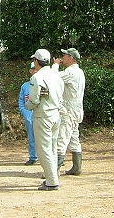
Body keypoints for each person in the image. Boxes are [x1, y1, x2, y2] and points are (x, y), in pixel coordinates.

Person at [26, 48, 64, 191]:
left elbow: (34, 100)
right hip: (56, 114)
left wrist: (27, 105)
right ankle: (52, 177)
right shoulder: (56, 75)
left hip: (43, 115)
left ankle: (52, 181)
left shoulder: (37, 78)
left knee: (44, 150)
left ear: (36, 61)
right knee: (52, 148)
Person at [52, 47, 86, 175]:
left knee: (62, 138)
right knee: (74, 138)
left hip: (69, 110)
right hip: (76, 109)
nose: (63, 58)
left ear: (71, 58)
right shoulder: (79, 72)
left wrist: (55, 65)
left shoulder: (71, 72)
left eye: (65, 56)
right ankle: (77, 168)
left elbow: (53, 78)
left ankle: (54, 171)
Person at [19, 62, 37, 165]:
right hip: (29, 115)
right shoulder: (25, 86)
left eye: (36, 69)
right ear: (30, 71)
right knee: (31, 137)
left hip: (42, 115)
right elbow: (21, 101)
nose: (35, 71)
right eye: (33, 69)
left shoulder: (44, 83)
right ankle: (33, 157)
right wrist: (24, 112)